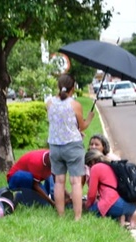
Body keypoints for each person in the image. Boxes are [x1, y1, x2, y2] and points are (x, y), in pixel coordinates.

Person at [47, 74, 93, 219]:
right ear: (73, 88)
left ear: (58, 86)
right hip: (72, 146)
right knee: (76, 182)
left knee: (59, 181)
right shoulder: (75, 105)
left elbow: (57, 121)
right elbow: (82, 126)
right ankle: (77, 217)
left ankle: (60, 215)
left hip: (54, 146)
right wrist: (90, 118)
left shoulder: (49, 102)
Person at [84, 150, 136, 230]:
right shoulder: (111, 165)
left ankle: (117, 217)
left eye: (88, 165)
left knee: (91, 212)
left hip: (116, 204)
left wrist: (87, 205)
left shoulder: (95, 168)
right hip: (131, 205)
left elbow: (91, 195)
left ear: (92, 162)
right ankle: (125, 218)